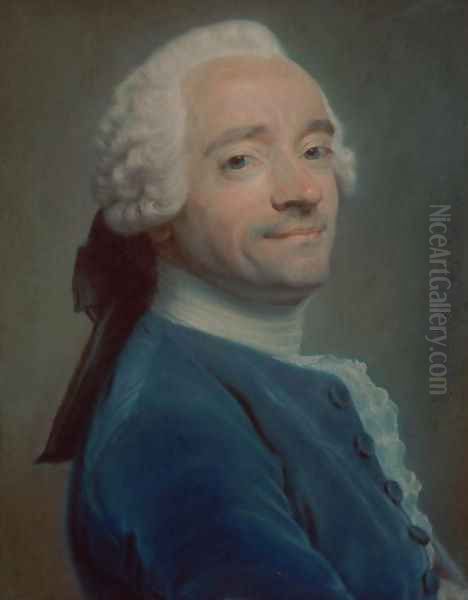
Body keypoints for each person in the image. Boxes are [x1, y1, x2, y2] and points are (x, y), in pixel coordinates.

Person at [38, 20, 467, 600]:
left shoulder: (258, 376)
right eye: (241, 160)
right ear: (157, 207)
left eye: (314, 151)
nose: (303, 191)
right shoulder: (173, 427)